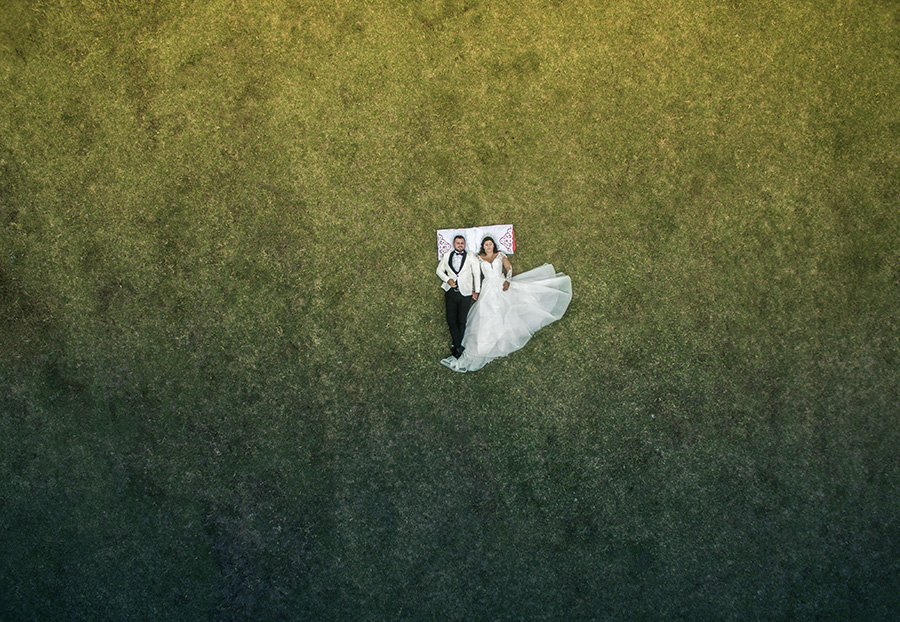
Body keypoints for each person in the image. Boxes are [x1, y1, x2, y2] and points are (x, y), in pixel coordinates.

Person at [441, 235, 572, 373]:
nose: (488, 246)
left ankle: (506, 333)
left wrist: (508, 280)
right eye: (486, 245)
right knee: (487, 312)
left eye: (490, 244)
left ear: (494, 245)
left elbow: (508, 267)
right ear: (483, 247)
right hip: (487, 287)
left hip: (500, 282)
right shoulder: (479, 258)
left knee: (508, 306)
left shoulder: (500, 255)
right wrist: (475, 290)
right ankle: (487, 340)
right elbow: (475, 274)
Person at [436, 234, 481, 358]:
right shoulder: (447, 256)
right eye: (458, 243)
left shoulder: (471, 257)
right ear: (454, 244)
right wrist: (447, 279)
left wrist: (476, 290)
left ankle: (456, 346)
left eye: (462, 243)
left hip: (466, 293)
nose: (460, 245)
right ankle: (458, 346)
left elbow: (476, 273)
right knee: (451, 320)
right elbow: (439, 271)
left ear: (464, 244)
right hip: (450, 292)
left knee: (462, 320)